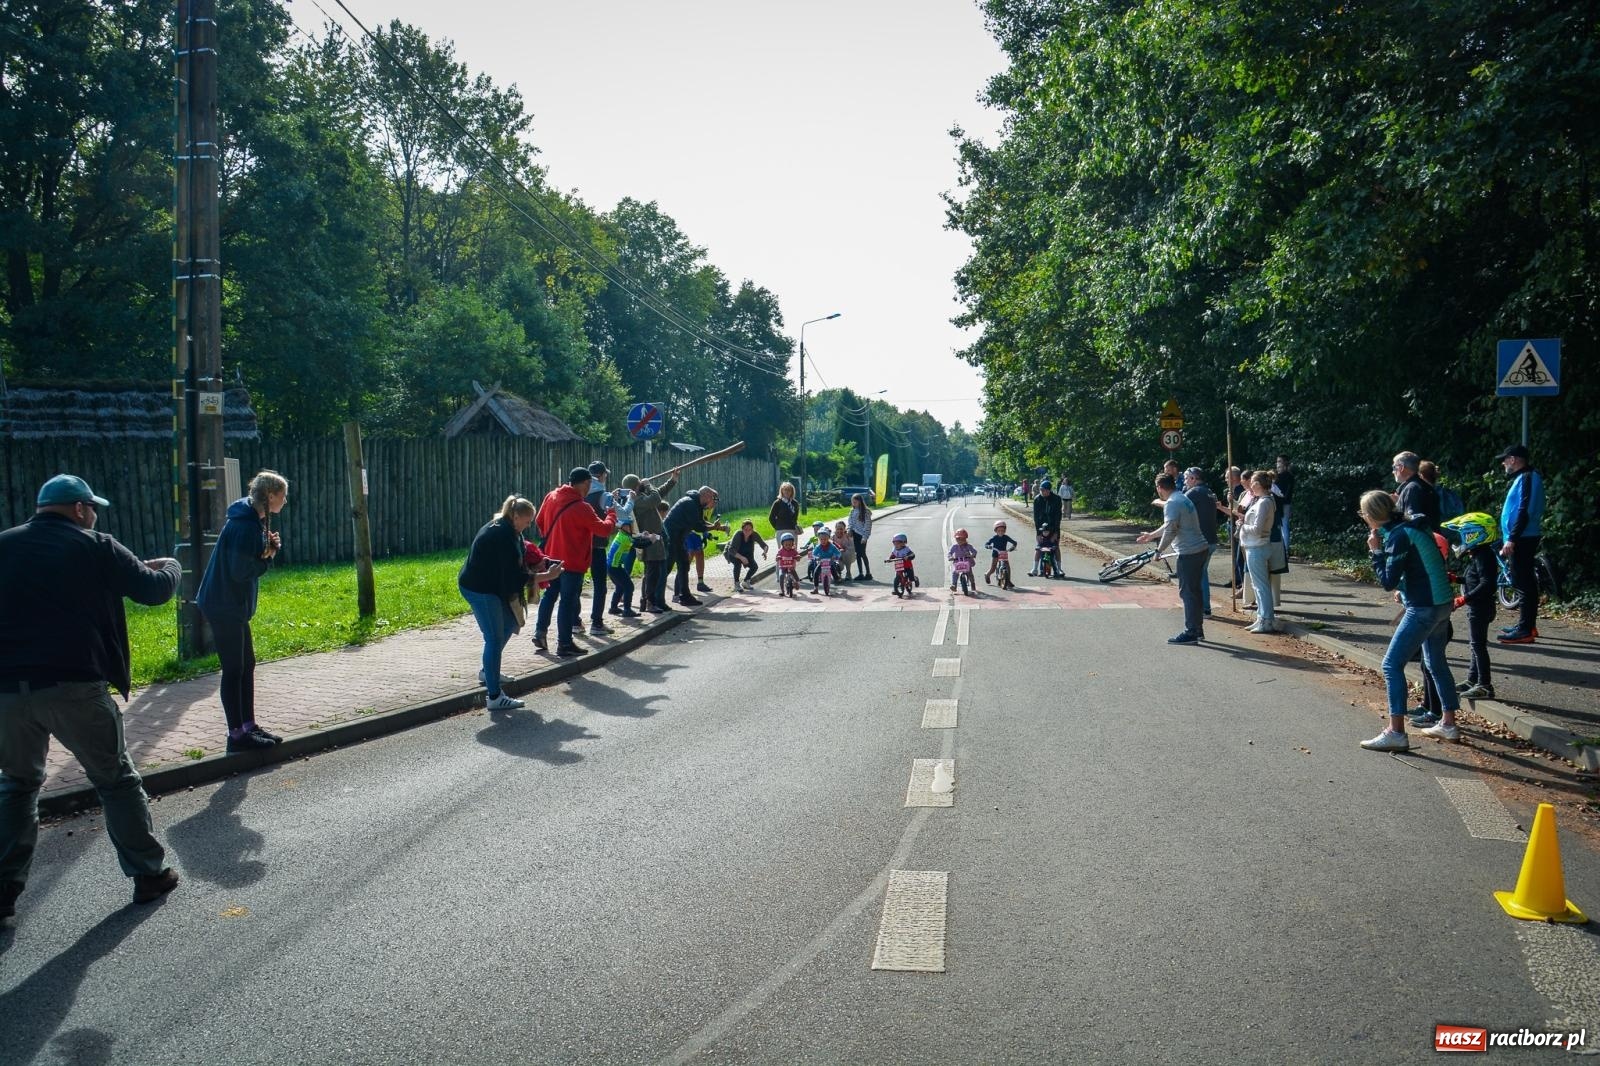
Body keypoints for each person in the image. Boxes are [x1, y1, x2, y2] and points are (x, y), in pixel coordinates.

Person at [0, 474, 184, 917]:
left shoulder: (3, 543)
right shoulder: (95, 544)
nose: (95, 514)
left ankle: (3, 892)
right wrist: (171, 566)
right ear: (81, 509)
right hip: (73, 685)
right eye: (93, 508)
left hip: (6, 690)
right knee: (115, 781)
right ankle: (148, 874)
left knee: (17, 786)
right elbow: (154, 590)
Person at [1357, 490, 1461, 750]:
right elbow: (1420, 566)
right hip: (1442, 603)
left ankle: (1396, 732)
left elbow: (1387, 581)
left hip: (1424, 607)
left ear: (1371, 516)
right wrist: (1404, 588)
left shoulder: (1398, 536)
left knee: (1391, 665)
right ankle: (1448, 724)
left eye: (1363, 514)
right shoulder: (1412, 526)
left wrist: (1376, 552)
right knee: (1435, 662)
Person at [196, 469, 289, 752]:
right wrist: (268, 557)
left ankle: (248, 726)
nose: (285, 501)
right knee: (234, 669)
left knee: (246, 666)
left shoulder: (250, 519)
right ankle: (236, 736)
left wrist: (266, 547)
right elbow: (240, 571)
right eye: (282, 496)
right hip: (223, 604)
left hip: (230, 604)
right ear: (270, 495)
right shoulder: (245, 525)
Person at [460, 495, 543, 709]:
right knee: (494, 638)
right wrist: (543, 577)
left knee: (510, 624)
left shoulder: (509, 529)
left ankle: (488, 672)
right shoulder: (502, 535)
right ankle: (495, 697)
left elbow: (514, 567)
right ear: (515, 516)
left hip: (491, 586)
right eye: (527, 521)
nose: (529, 525)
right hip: (480, 589)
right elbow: (512, 577)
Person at [534, 468, 617, 657]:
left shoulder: (552, 496)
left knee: (550, 594)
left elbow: (539, 521)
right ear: (585, 483)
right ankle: (564, 643)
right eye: (588, 484)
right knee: (567, 601)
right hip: (572, 561)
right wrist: (611, 513)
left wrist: (553, 537)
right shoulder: (582, 507)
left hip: (551, 557)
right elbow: (603, 530)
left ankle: (540, 632)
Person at [1137, 473, 1209, 644]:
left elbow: (1171, 530)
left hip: (1189, 552)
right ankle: (1197, 629)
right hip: (1200, 549)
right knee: (1195, 591)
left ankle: (1192, 631)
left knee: (1187, 593)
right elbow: (1170, 525)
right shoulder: (1181, 498)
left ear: (1159, 488)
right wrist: (1152, 535)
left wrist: (1158, 551)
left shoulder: (1172, 503)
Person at [1443, 512, 1499, 699]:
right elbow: (1473, 579)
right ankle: (1472, 679)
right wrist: (1456, 579)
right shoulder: (1479, 555)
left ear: (1475, 534)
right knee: (1475, 644)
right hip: (1478, 607)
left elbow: (1487, 584)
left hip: (1481, 607)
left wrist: (1463, 599)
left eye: (1464, 534)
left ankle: (1484, 685)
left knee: (1478, 645)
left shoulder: (1484, 556)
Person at [1496, 443, 1545, 644]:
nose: (1503, 463)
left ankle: (1525, 629)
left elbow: (1524, 510)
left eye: (1505, 459)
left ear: (1513, 459)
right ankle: (1526, 624)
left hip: (1523, 538)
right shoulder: (1525, 477)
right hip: (1522, 537)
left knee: (1523, 583)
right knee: (1523, 582)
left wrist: (1512, 539)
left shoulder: (1527, 478)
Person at [664, 486, 726, 606]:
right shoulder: (690, 504)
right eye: (715, 499)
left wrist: (714, 526)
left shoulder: (696, 504)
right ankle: (651, 599)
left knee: (683, 565)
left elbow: (701, 521)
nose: (715, 503)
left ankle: (684, 596)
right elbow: (697, 526)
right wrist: (713, 527)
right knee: (666, 568)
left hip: (678, 538)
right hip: (671, 538)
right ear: (707, 496)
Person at [632, 470, 679, 613]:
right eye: (639, 483)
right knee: (652, 573)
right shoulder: (636, 501)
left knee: (655, 572)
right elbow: (656, 498)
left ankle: (649, 601)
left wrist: (672, 481)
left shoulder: (643, 497)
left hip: (656, 540)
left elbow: (659, 493)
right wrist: (648, 484)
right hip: (649, 541)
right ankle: (649, 602)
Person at [1238, 471, 1278, 633]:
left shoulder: (1264, 503)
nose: (1250, 486)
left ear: (1257, 484)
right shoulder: (1265, 501)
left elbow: (1257, 529)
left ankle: (1266, 620)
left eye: (1252, 483)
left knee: (1261, 586)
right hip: (1256, 546)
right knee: (1258, 585)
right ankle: (1262, 618)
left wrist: (1242, 525)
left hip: (1257, 546)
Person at [1183, 468, 1220, 617]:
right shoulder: (1209, 492)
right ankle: (1204, 607)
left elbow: (1178, 506)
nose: (1185, 482)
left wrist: (1160, 502)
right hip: (1211, 539)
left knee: (1199, 574)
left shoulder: (1194, 492)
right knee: (1201, 573)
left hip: (1200, 541)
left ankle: (1204, 608)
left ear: (1193, 478)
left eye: (1186, 478)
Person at [606, 519, 654, 618]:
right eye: (627, 526)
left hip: (612, 566)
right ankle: (627, 610)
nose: (630, 528)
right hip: (615, 567)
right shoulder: (625, 539)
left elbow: (634, 538)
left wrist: (643, 535)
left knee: (620, 586)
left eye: (629, 526)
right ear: (621, 527)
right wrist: (651, 541)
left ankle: (613, 608)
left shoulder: (622, 535)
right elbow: (639, 545)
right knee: (629, 587)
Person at [1391, 451, 1438, 530]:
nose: (1393, 472)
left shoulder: (1412, 488)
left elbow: (1414, 520)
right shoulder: (1423, 486)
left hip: (1420, 540)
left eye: (1394, 467)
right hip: (1431, 537)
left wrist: (1395, 509)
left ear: (1401, 467)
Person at [1031, 482, 1063, 575]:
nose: (1042, 492)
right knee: (1039, 547)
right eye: (1041, 490)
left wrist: (1056, 532)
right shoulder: (1037, 499)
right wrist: (1038, 533)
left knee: (1056, 547)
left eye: (1044, 490)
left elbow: (1058, 516)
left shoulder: (1056, 499)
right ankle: (1035, 569)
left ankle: (1059, 569)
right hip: (1042, 528)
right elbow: (1036, 517)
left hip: (1053, 526)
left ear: (1049, 490)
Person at [726, 520, 768, 591]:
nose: (747, 532)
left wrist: (765, 551)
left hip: (746, 554)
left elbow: (764, 545)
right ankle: (736, 584)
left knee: (754, 566)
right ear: (742, 529)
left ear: (752, 530)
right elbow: (731, 550)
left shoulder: (754, 534)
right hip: (732, 553)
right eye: (745, 529)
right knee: (738, 563)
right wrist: (742, 558)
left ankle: (746, 582)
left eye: (750, 530)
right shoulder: (738, 535)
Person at [847, 494, 874, 580]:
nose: (853, 503)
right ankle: (860, 573)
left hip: (862, 535)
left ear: (860, 502)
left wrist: (865, 537)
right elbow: (850, 522)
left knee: (862, 553)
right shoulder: (852, 511)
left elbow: (868, 525)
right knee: (858, 554)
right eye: (852, 502)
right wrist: (849, 529)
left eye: (855, 502)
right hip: (855, 534)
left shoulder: (865, 512)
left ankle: (868, 573)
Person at [984, 521, 1018, 586]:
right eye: (999, 530)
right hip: (996, 553)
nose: (1001, 532)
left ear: (1005, 531)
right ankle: (987, 574)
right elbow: (987, 543)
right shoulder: (994, 538)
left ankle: (1008, 580)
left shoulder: (1006, 537)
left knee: (1007, 567)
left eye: (1002, 530)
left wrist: (1012, 547)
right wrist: (988, 546)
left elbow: (1014, 542)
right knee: (993, 568)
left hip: (1003, 553)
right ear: (996, 531)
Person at [810, 528, 843, 593]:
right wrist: (817, 557)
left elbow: (838, 553)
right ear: (819, 539)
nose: (823, 541)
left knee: (833, 570)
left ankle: (837, 578)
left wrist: (835, 557)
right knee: (816, 573)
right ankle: (816, 588)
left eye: (825, 539)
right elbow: (814, 553)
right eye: (821, 539)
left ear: (828, 538)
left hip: (830, 562)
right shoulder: (818, 547)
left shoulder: (832, 546)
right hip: (821, 562)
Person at [1273, 455, 1295, 551]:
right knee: (1283, 525)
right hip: (1283, 503)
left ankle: (1285, 549)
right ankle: (1283, 548)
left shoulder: (1286, 476)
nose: (1278, 464)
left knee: (1284, 525)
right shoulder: (1284, 475)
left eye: (1280, 461)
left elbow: (1283, 492)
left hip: (1284, 503)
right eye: (1277, 461)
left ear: (1284, 463)